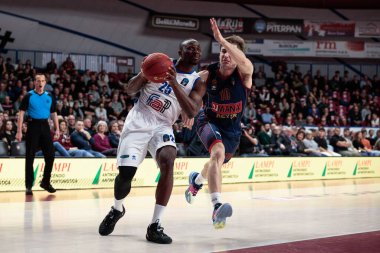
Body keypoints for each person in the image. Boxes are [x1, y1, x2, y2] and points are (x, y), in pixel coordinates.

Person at [98, 38, 205, 244]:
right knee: (126, 174)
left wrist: (173, 82)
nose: (196, 51)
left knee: (169, 159)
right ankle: (117, 209)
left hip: (163, 125)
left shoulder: (197, 82)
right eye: (190, 48)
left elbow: (191, 110)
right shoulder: (160, 63)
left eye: (198, 49)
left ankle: (155, 225)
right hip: (139, 120)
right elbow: (130, 89)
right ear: (180, 51)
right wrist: (144, 73)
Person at [184, 18, 254, 229]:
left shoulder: (245, 73)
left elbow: (246, 63)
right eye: (222, 51)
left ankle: (196, 181)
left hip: (232, 129)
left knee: (216, 161)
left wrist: (222, 39)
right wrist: (187, 108)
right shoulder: (207, 74)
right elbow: (188, 91)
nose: (225, 55)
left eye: (229, 52)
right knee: (217, 153)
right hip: (208, 121)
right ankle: (216, 207)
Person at [15, 73, 59, 195]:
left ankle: (45, 182)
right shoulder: (28, 96)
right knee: (30, 156)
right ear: (35, 82)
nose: (40, 83)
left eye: (43, 81)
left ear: (45, 82)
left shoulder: (49, 96)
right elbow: (21, 113)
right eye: (38, 81)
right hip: (32, 126)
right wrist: (19, 131)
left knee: (50, 155)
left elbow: (54, 113)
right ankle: (29, 185)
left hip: (45, 126)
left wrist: (57, 129)